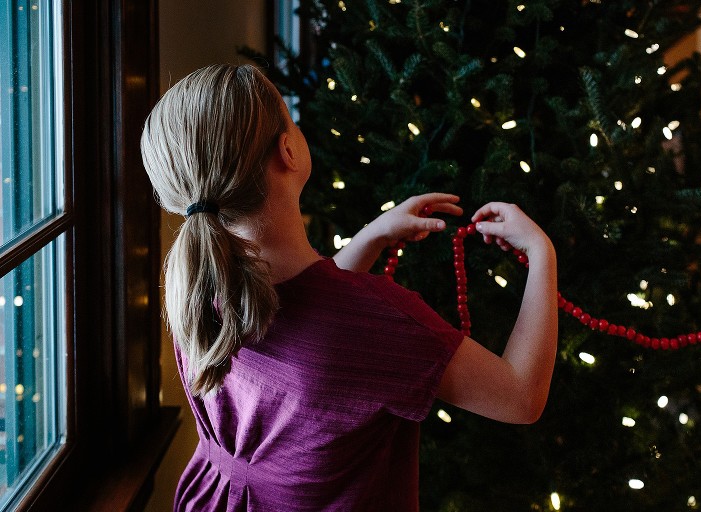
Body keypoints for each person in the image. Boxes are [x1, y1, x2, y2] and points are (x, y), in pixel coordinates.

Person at [140, 63, 558, 512]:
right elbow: (520, 396)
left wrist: (372, 235)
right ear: (288, 151)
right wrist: (541, 253)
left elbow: (307, 319)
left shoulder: (202, 284)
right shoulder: (377, 319)